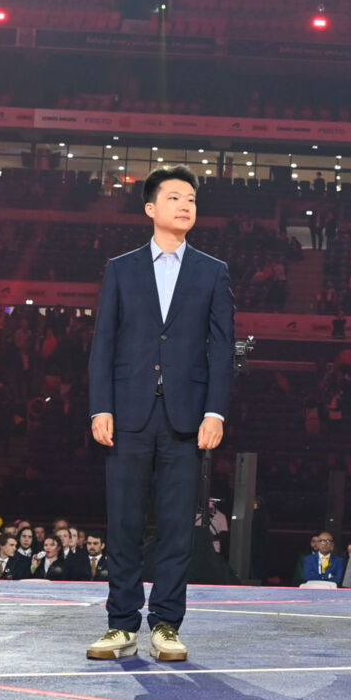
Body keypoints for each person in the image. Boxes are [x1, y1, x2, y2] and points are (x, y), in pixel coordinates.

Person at [87, 165, 234, 661]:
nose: (185, 205)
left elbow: (222, 347)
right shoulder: (120, 268)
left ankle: (167, 624)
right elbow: (103, 343)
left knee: (176, 527)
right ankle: (121, 624)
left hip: (186, 417)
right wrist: (99, 406)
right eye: (174, 197)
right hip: (127, 412)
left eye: (191, 198)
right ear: (150, 208)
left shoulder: (213, 271)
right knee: (123, 522)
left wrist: (215, 411)